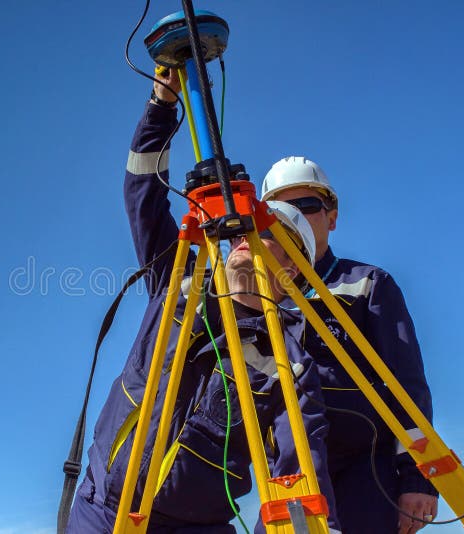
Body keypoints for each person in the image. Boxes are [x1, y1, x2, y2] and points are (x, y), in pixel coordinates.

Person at [66, 73, 342, 533]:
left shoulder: (287, 361)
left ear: (291, 266)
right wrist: (161, 105)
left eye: (262, 235)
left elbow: (297, 468)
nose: (241, 239)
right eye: (237, 232)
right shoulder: (178, 284)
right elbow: (143, 196)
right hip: (102, 510)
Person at [260, 157, 439, 534]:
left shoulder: (368, 284)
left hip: (366, 469)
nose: (294, 217)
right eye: (280, 209)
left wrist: (416, 479)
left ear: (332, 216)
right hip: (290, 473)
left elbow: (407, 385)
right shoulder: (259, 295)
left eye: (306, 206)